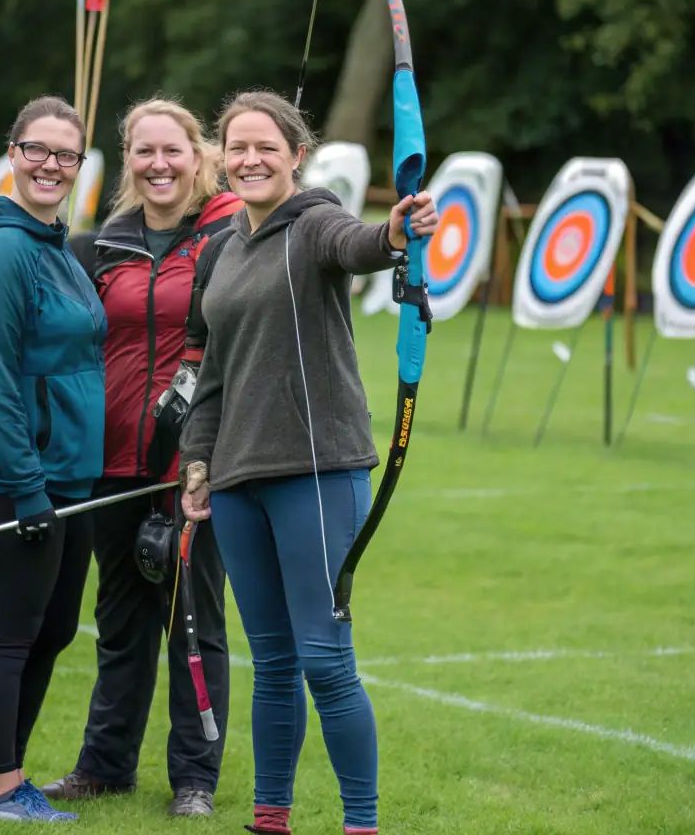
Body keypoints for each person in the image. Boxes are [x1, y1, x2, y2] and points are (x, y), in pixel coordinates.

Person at [177, 90, 439, 835]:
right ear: (219, 159)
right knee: (272, 664)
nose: (249, 158)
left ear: (296, 154)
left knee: (324, 660)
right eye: (236, 146)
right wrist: (197, 461)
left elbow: (357, 245)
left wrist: (393, 232)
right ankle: (270, 819)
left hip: (316, 475)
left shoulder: (315, 221)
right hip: (234, 483)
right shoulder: (222, 247)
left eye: (266, 146)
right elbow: (211, 370)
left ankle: (361, 823)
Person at [43, 98, 241, 817]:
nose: (159, 164)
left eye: (173, 150)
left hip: (192, 462)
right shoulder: (100, 246)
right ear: (127, 160)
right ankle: (104, 765)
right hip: (113, 459)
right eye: (143, 152)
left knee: (193, 620)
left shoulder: (230, 234)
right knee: (120, 620)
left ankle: (194, 777)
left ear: (198, 154)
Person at [0, 95, 107, 823]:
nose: (49, 164)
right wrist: (25, 484)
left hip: (65, 473)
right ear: (12, 153)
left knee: (53, 629)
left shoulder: (54, 244)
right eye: (36, 149)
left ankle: (12, 781)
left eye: (65, 155)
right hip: (9, 476)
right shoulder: (1, 250)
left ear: (79, 165)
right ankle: (3, 790)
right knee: (11, 631)